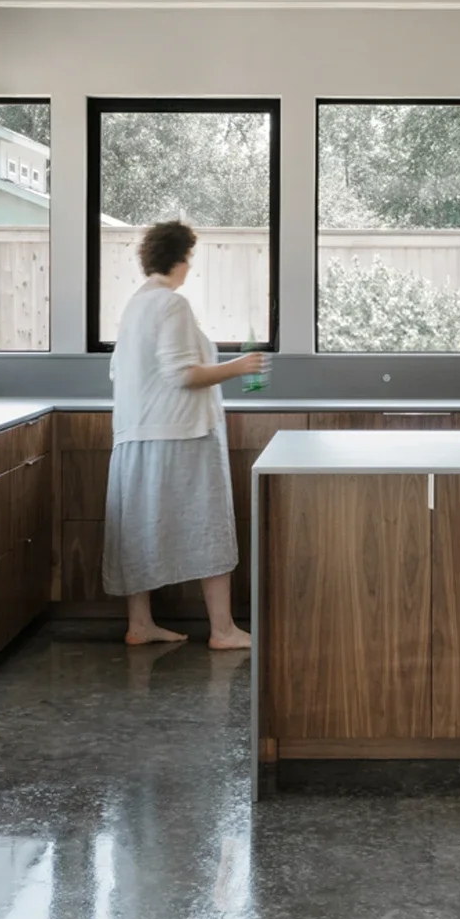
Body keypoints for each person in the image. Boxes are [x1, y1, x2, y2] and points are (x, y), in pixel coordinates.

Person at [103, 220, 263, 649]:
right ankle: (223, 629)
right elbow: (181, 373)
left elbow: (119, 370)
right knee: (209, 524)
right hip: (181, 434)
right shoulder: (171, 305)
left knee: (138, 529)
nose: (190, 267)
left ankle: (140, 624)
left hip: (136, 434)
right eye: (189, 258)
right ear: (179, 259)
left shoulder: (137, 304)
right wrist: (240, 367)